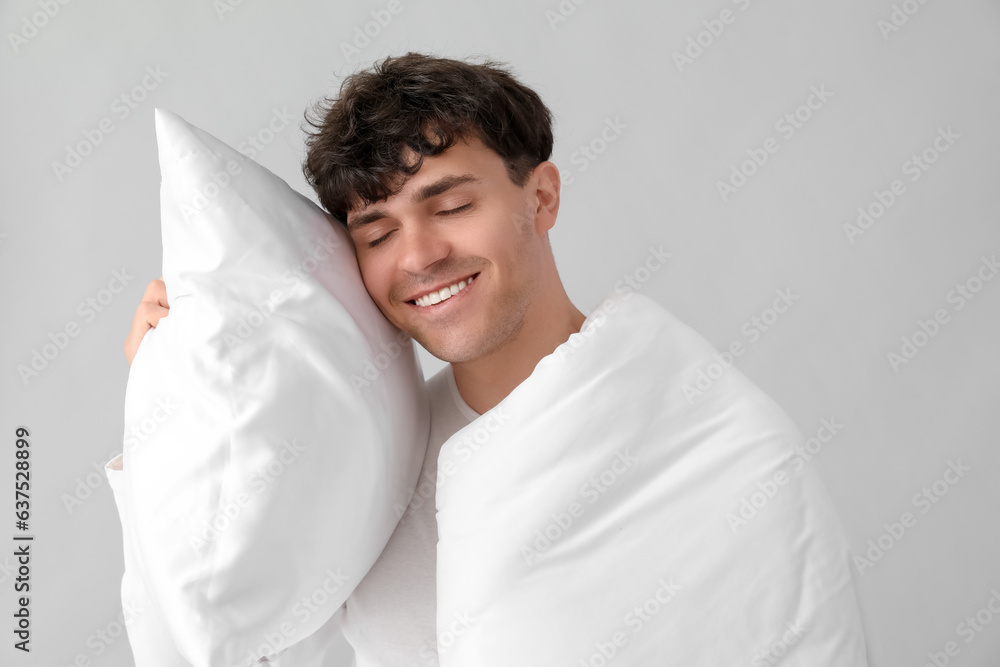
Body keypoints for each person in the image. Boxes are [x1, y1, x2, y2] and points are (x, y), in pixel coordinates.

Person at [122, 53, 867, 666]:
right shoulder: (376, 455)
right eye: (377, 234)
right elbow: (210, 643)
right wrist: (160, 422)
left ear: (541, 196)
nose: (420, 255)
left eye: (450, 206)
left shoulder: (719, 446)